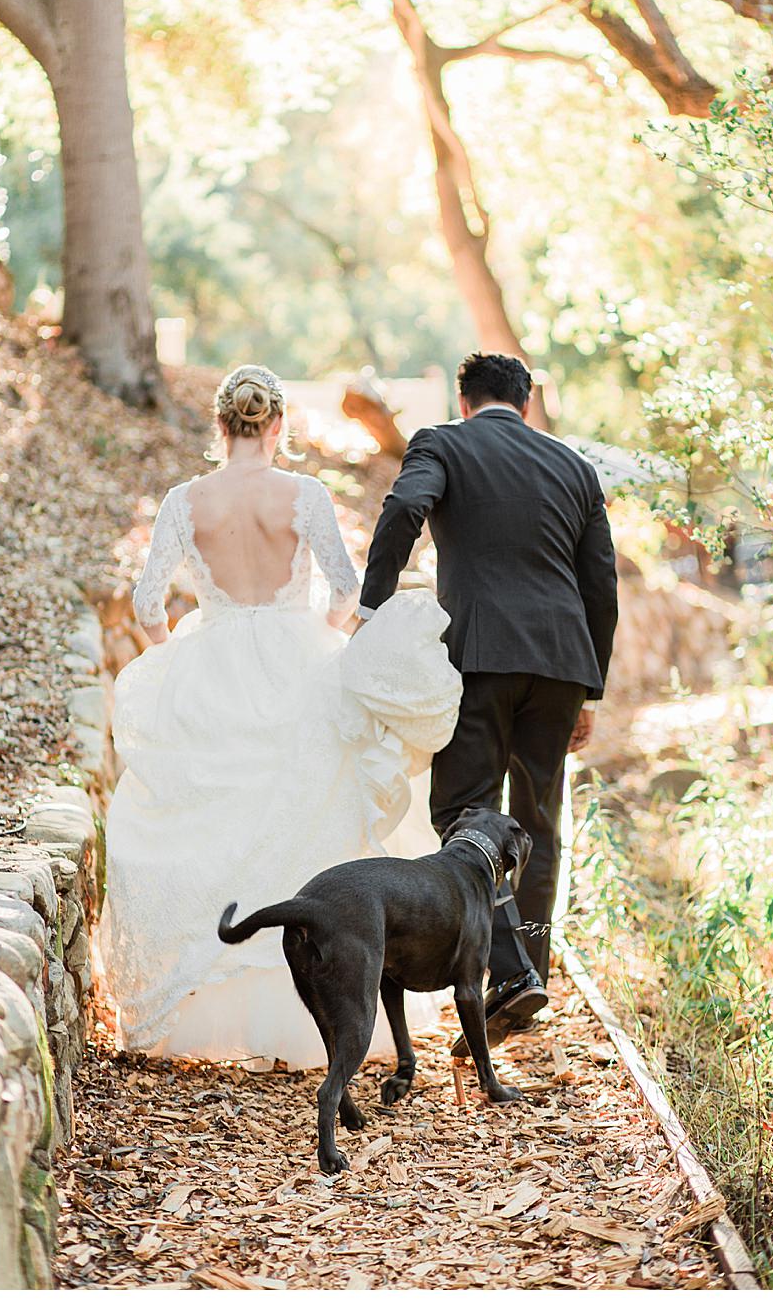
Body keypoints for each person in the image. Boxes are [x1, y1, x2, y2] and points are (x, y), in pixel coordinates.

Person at [99, 365, 461, 1070]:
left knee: (217, 836)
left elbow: (147, 606)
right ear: (276, 426)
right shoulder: (305, 494)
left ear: (220, 424)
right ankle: (316, 1020)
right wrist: (317, 634)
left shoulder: (184, 500)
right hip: (299, 666)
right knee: (310, 832)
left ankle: (206, 1016)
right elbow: (347, 591)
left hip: (212, 664)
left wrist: (173, 654)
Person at [359, 352, 618, 1054]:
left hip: (478, 655)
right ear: (526, 404)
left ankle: (507, 973)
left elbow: (407, 506)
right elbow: (601, 586)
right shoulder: (574, 468)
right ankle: (527, 965)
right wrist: (589, 686)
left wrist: (372, 605)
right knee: (538, 815)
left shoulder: (442, 442)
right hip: (562, 662)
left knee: (462, 810)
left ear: (463, 400)